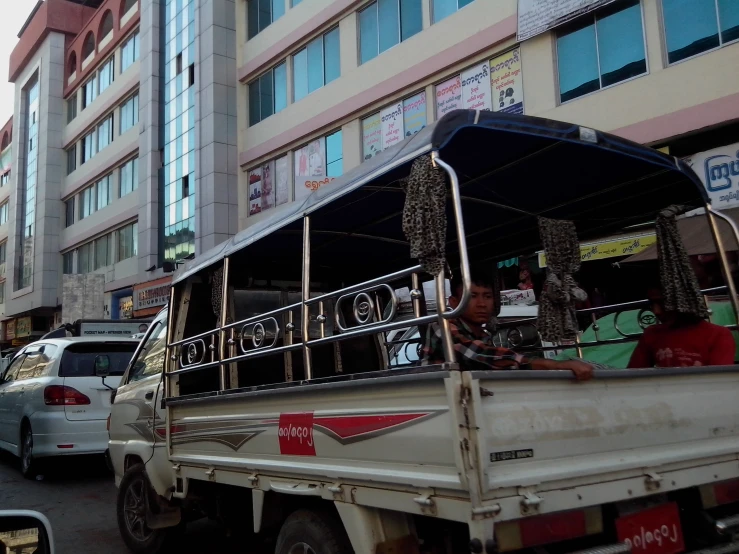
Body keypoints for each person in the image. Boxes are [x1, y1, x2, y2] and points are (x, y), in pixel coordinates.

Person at [422, 272, 593, 380]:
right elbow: (482, 355)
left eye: (487, 296)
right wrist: (553, 365)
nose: (481, 303)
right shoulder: (441, 327)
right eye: (472, 296)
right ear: (454, 302)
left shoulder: (483, 333)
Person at [628, 286, 735, 368]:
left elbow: (718, 383)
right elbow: (633, 377)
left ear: (682, 301)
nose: (656, 311)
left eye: (663, 303)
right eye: (652, 304)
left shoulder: (718, 334)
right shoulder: (652, 334)